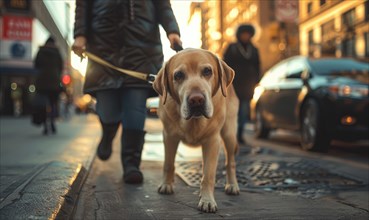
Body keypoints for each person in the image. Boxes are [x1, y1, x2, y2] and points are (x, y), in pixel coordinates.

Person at [72, 0, 182, 184]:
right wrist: (80, 35)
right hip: (102, 46)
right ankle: (108, 134)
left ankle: (132, 164)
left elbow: (163, 6)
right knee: (108, 109)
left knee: (135, 107)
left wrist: (172, 32)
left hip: (142, 47)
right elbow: (83, 5)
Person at [223, 24, 261, 144]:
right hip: (233, 86)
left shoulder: (254, 49)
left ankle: (239, 135)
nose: (245, 36)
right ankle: (231, 134)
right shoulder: (232, 47)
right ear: (239, 34)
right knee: (232, 111)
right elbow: (225, 66)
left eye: (248, 34)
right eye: (243, 33)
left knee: (244, 112)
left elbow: (258, 66)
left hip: (247, 87)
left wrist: (256, 81)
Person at [34, 37, 64, 135]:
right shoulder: (57, 52)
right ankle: (52, 123)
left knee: (43, 104)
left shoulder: (41, 51)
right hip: (54, 82)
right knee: (53, 104)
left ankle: (45, 126)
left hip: (42, 82)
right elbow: (61, 67)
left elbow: (36, 64)